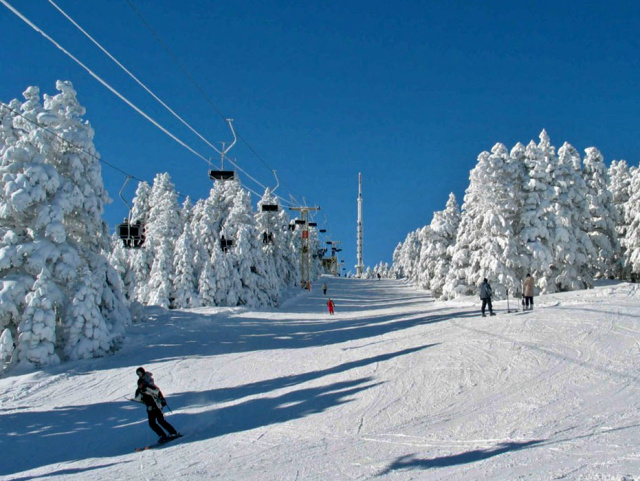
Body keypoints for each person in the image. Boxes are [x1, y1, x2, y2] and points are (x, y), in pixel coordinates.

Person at [134, 367, 179, 443]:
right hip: (149, 408)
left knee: (161, 421)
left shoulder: (148, 383)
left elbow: (156, 391)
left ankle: (173, 433)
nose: (139, 375)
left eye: (140, 373)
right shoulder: (140, 389)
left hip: (156, 406)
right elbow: (138, 398)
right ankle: (163, 435)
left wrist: (146, 389)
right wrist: (139, 392)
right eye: (138, 374)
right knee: (152, 424)